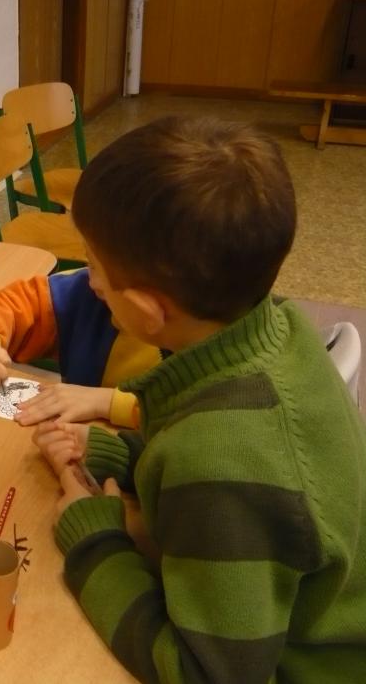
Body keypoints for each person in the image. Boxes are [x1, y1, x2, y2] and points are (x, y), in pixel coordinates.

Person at [33, 116, 366, 683]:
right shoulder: (279, 327)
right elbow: (211, 442)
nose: (89, 282)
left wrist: (95, 540)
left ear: (146, 311)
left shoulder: (220, 465)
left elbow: (206, 675)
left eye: (94, 267)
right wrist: (123, 456)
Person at [0, 269, 163, 430]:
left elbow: (178, 416)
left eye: (99, 266)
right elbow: (13, 303)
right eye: (90, 261)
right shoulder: (88, 292)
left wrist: (109, 403)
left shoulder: (175, 347)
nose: (92, 281)